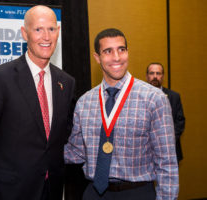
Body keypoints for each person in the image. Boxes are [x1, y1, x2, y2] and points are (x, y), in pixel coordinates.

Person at [0, 5, 75, 200]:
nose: (46, 37)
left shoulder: (66, 82)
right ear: (24, 33)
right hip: (11, 192)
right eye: (38, 29)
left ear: (58, 32)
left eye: (51, 29)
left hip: (52, 189)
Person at [64, 28, 179, 200]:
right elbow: (76, 152)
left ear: (127, 53)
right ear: (97, 58)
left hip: (137, 193)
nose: (116, 57)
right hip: (94, 194)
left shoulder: (154, 99)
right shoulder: (84, 102)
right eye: (108, 51)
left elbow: (167, 163)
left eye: (121, 50)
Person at [146, 62, 185, 163]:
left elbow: (179, 122)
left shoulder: (174, 97)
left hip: (169, 150)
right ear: (147, 76)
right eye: (152, 73)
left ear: (163, 76)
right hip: (145, 151)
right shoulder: (139, 97)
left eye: (158, 73)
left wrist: (166, 141)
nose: (155, 76)